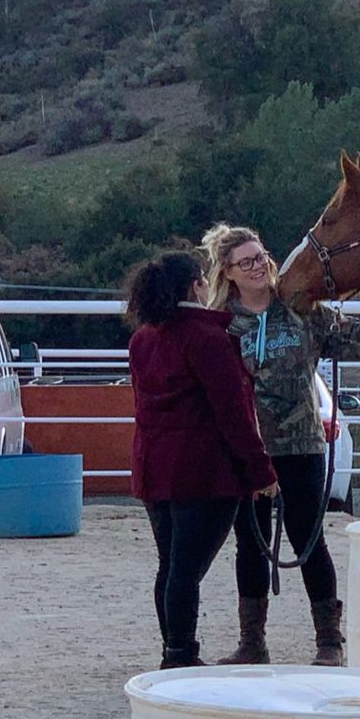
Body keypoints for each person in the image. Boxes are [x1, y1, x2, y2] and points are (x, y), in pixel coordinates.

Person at [201, 223, 360, 666]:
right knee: (250, 541)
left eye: (261, 257)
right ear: (228, 272)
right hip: (246, 446)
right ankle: (252, 642)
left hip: (302, 444)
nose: (259, 267)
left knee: (308, 537)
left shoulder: (301, 308)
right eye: (247, 262)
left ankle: (329, 641)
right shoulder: (221, 324)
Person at [125, 250, 278, 669]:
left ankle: (175, 650)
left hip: (154, 466)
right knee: (185, 570)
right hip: (201, 472)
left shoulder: (143, 339)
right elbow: (234, 414)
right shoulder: (209, 339)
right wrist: (260, 470)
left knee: (171, 565)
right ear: (197, 285)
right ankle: (180, 654)